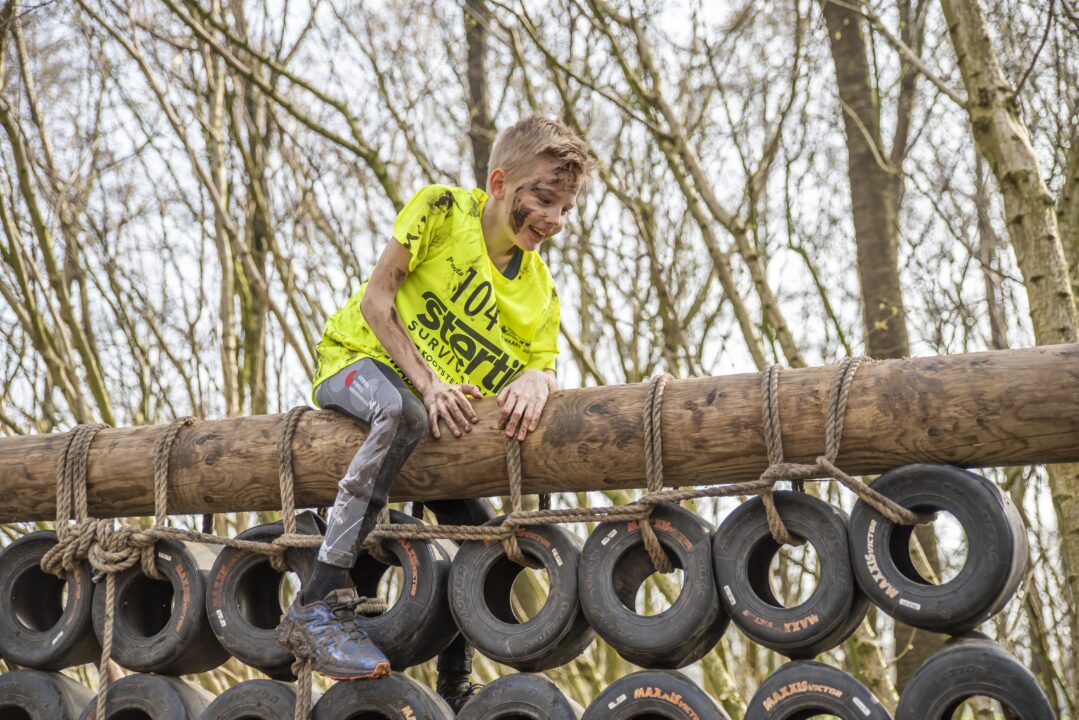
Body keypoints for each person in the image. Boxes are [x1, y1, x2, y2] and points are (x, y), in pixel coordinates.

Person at [276, 116, 593, 709]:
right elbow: (377, 299)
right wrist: (429, 384)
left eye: (568, 209)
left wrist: (537, 378)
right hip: (358, 361)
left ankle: (455, 687)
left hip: (437, 408)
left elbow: (544, 365)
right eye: (545, 200)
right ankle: (316, 605)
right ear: (500, 183)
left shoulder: (540, 291)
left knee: (477, 530)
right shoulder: (441, 210)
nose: (555, 220)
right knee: (405, 414)